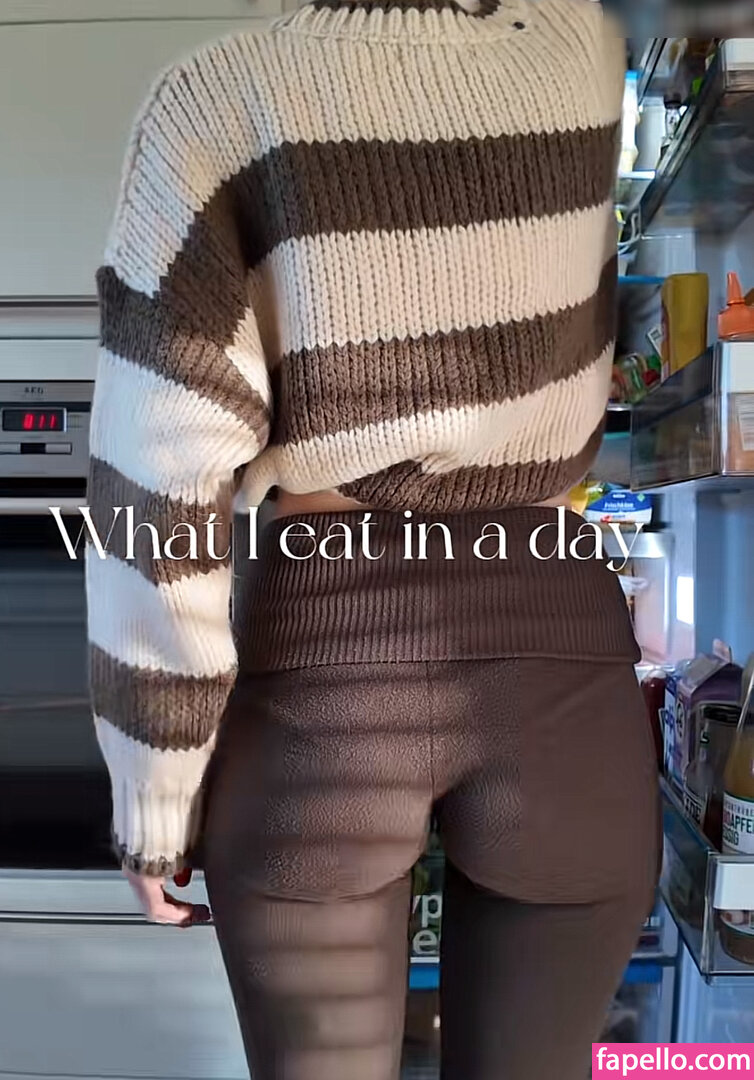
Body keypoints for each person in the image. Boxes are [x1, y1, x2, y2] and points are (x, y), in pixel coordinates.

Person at [85, 0, 661, 1077]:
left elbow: (158, 476)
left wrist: (153, 786)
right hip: (559, 654)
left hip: (324, 668)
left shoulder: (217, 100)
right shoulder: (579, 42)